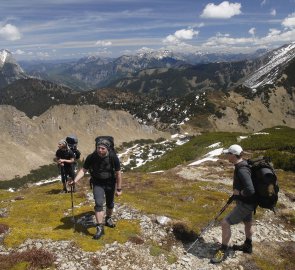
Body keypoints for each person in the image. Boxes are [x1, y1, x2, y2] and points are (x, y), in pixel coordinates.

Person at [211, 144, 256, 264]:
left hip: (245, 204)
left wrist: (239, 192)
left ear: (233, 155)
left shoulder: (242, 169)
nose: (226, 156)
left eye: (228, 154)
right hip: (249, 203)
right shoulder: (243, 164)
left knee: (225, 223)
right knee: (248, 223)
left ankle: (223, 250)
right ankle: (248, 246)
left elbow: (250, 190)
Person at [70, 138, 122, 240]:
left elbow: (118, 174)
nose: (100, 150)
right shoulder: (92, 157)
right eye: (98, 148)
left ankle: (108, 219)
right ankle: (99, 228)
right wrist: (75, 180)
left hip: (110, 183)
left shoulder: (113, 157)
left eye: (102, 148)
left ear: (107, 148)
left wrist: (119, 189)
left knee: (110, 204)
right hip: (97, 183)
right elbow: (84, 170)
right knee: (98, 204)